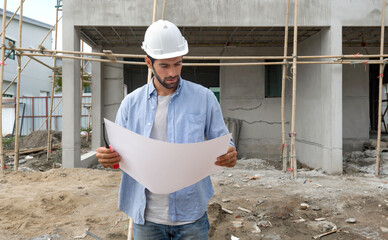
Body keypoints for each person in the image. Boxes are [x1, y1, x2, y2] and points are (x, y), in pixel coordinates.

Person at [96, 20, 237, 240]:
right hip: (147, 217)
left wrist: (229, 154)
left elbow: (225, 143)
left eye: (177, 64)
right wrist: (108, 158)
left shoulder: (204, 99)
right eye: (164, 65)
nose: (173, 72)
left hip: (191, 214)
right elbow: (118, 157)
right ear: (148, 62)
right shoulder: (130, 104)